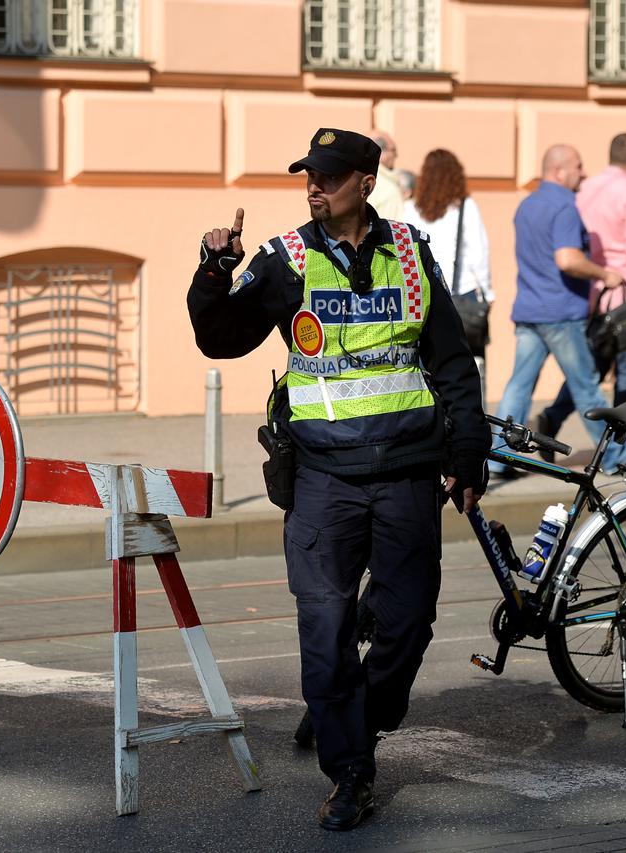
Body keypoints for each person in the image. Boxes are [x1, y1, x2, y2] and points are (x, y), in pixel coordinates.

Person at [187, 128, 489, 831]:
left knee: (407, 625)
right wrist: (213, 271)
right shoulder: (285, 259)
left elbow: (450, 360)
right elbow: (220, 336)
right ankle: (350, 770)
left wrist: (469, 447)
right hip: (324, 480)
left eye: (326, 176)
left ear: (364, 181)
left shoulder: (411, 255)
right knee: (323, 630)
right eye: (307, 176)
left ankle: (356, 716)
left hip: (409, 473)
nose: (312, 187)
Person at [488, 144, 626, 478]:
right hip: (560, 314)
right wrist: (604, 274)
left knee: (519, 386)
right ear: (559, 171)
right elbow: (567, 259)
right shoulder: (565, 206)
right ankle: (614, 459)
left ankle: (497, 459)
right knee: (586, 386)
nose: (584, 173)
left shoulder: (527, 205)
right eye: (579, 166)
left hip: (530, 310)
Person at [534, 133, 626, 457]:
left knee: (589, 371)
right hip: (624, 299)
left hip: (591, 295)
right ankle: (623, 448)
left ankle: (552, 417)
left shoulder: (585, 188)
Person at [404, 149, 495, 369]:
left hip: (424, 295)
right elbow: (479, 255)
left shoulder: (409, 209)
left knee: (429, 363)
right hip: (462, 295)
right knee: (469, 364)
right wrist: (488, 294)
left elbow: (406, 252)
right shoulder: (466, 207)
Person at [366, 130, 404, 220]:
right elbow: (392, 231)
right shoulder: (389, 190)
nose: (396, 155)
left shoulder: (352, 179)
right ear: (379, 151)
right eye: (393, 150)